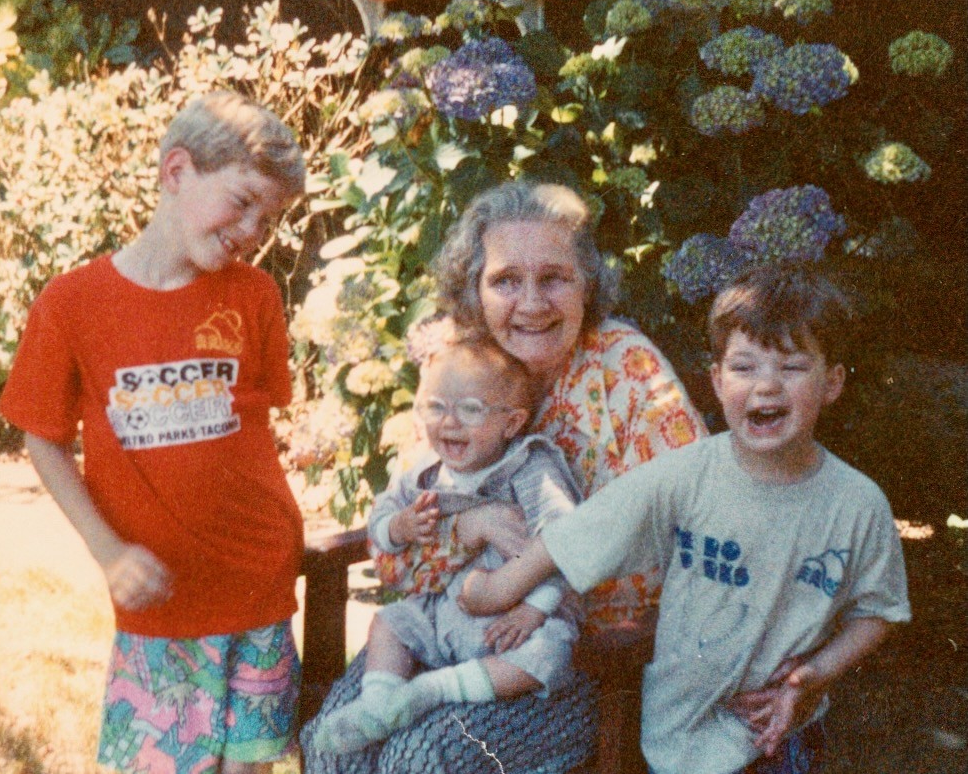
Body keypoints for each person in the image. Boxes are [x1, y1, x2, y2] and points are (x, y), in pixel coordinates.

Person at [301, 180, 707, 773]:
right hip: (442, 629)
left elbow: (694, 527)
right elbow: (400, 553)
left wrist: (516, 587)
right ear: (475, 289)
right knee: (330, 746)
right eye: (505, 280)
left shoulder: (625, 367)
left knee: (419, 760)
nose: (532, 303)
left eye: (553, 278)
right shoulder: (464, 369)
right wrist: (469, 531)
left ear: (586, 283)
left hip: (574, 660)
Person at [459, 264, 912, 774]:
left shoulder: (857, 504)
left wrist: (814, 674)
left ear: (831, 383)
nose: (766, 387)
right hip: (676, 735)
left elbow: (880, 610)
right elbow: (583, 534)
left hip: (776, 731)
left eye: (791, 367)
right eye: (745, 368)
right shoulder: (684, 477)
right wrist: (496, 590)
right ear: (718, 381)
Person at [0, 91, 308, 774]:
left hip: (257, 584)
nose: (253, 230)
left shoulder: (254, 295)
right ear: (176, 172)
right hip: (160, 606)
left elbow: (251, 429)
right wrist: (107, 550)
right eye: (243, 201)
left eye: (269, 218)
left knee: (248, 768)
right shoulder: (72, 303)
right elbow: (42, 438)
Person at [314, 337, 583, 755]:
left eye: (470, 410)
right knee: (390, 623)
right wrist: (400, 527)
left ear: (511, 424)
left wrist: (537, 607)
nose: (449, 423)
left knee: (547, 653)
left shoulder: (530, 467)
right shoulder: (425, 472)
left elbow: (566, 540)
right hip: (440, 614)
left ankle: (433, 689)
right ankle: (376, 704)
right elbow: (381, 523)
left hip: (513, 618)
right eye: (436, 407)